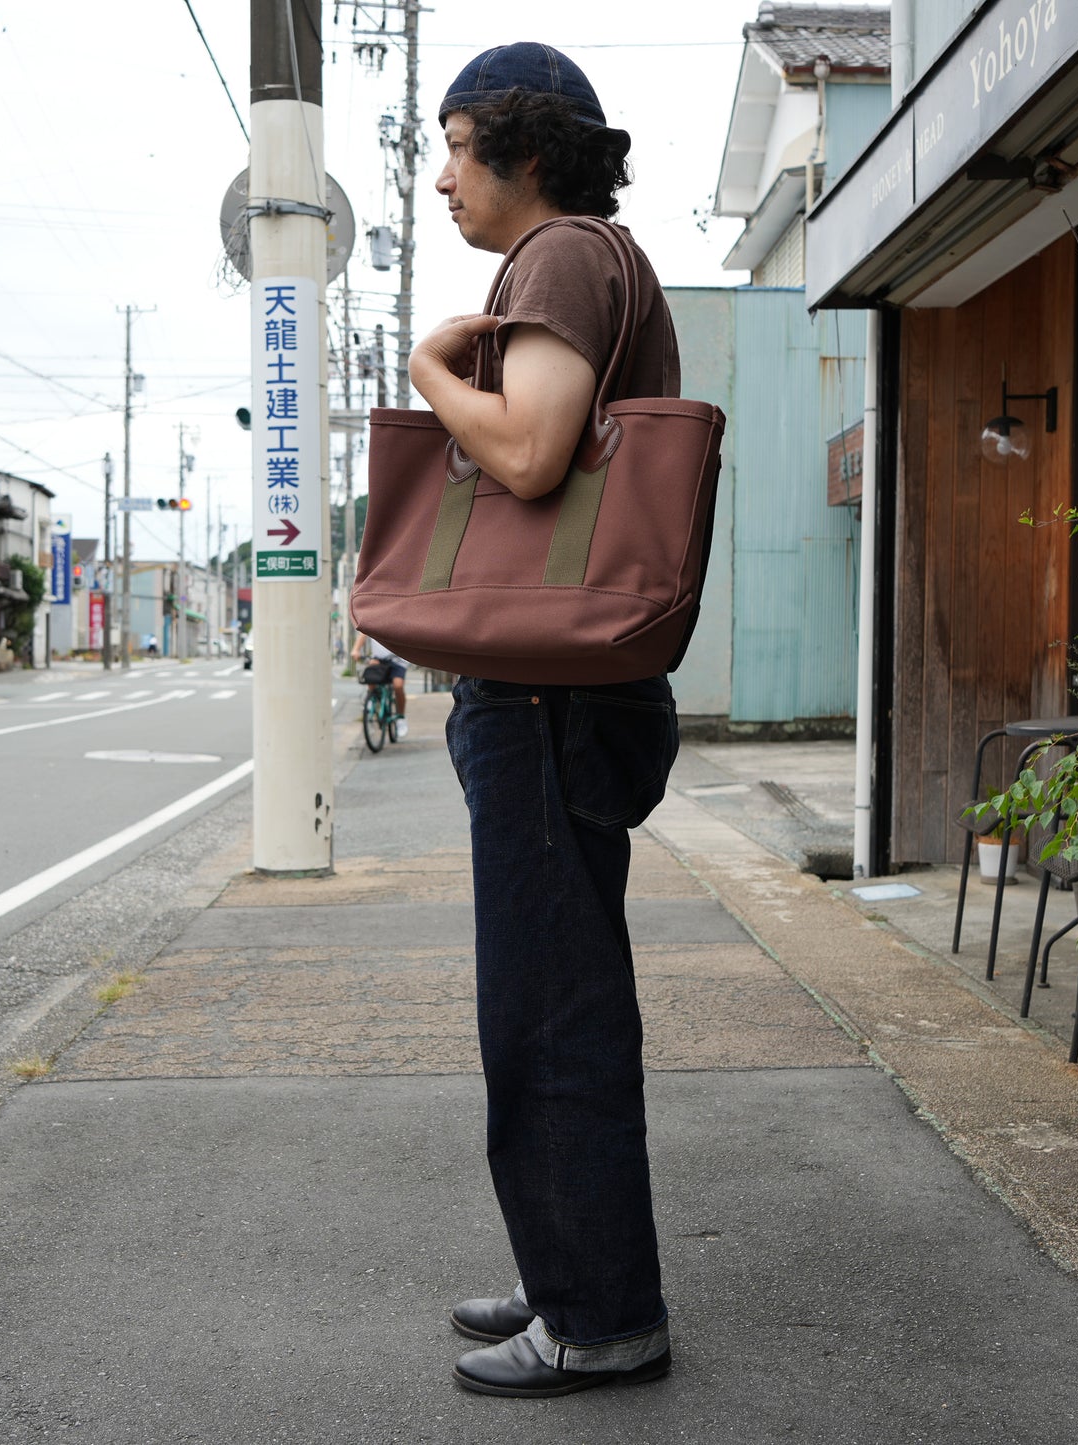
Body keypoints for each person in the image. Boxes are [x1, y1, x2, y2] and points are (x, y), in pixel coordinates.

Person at [409, 43, 681, 1399]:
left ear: (525, 148)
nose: (441, 177)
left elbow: (524, 453)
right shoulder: (584, 260)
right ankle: (570, 1261)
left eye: (457, 145)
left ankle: (597, 1316)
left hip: (546, 693)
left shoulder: (564, 257)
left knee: (548, 1005)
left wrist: (428, 370)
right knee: (560, 990)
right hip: (568, 692)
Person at [352, 631, 409, 740]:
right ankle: (372, 702)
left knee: (398, 685)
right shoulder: (374, 618)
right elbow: (364, 633)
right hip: (378, 660)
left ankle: (401, 717)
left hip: (397, 660)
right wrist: (356, 649)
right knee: (371, 679)